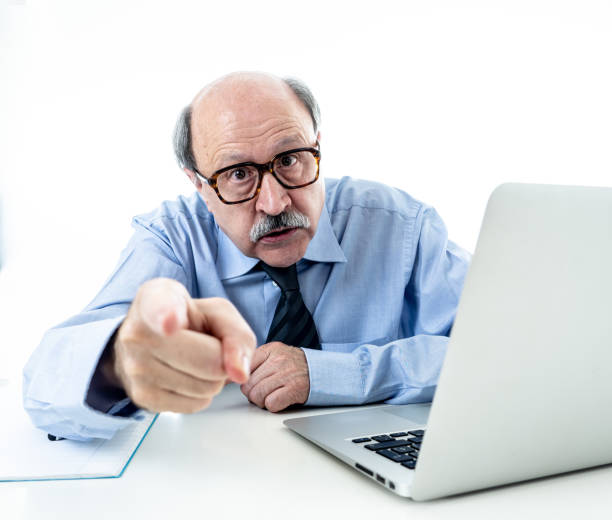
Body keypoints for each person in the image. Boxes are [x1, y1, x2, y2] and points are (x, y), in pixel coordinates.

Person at [23, 72, 471, 441]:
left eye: (291, 159)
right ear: (199, 186)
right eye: (238, 174)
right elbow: (45, 383)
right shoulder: (174, 237)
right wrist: (119, 364)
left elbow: (499, 351)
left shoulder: (399, 225)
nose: (275, 203)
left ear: (318, 147)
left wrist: (334, 375)